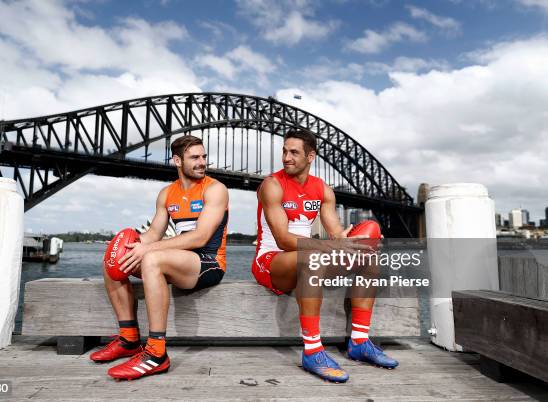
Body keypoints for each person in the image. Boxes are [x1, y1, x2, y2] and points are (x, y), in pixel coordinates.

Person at [252, 129, 398, 383]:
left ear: (311, 156)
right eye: (284, 151)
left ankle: (360, 342)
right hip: (272, 260)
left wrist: (356, 242)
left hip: (308, 258)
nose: (286, 157)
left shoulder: (322, 189)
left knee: (369, 246)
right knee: (310, 258)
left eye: (294, 152)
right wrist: (330, 248)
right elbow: (284, 240)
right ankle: (312, 351)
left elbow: (336, 236)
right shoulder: (271, 185)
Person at [90, 135, 229, 381]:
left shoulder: (215, 189)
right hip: (176, 260)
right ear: (177, 160)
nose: (202, 162)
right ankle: (129, 339)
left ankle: (156, 353)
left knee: (152, 259)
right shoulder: (167, 194)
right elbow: (154, 233)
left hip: (207, 262)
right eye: (194, 157)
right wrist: (130, 246)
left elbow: (200, 237)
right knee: (114, 256)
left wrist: (149, 250)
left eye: (203, 156)